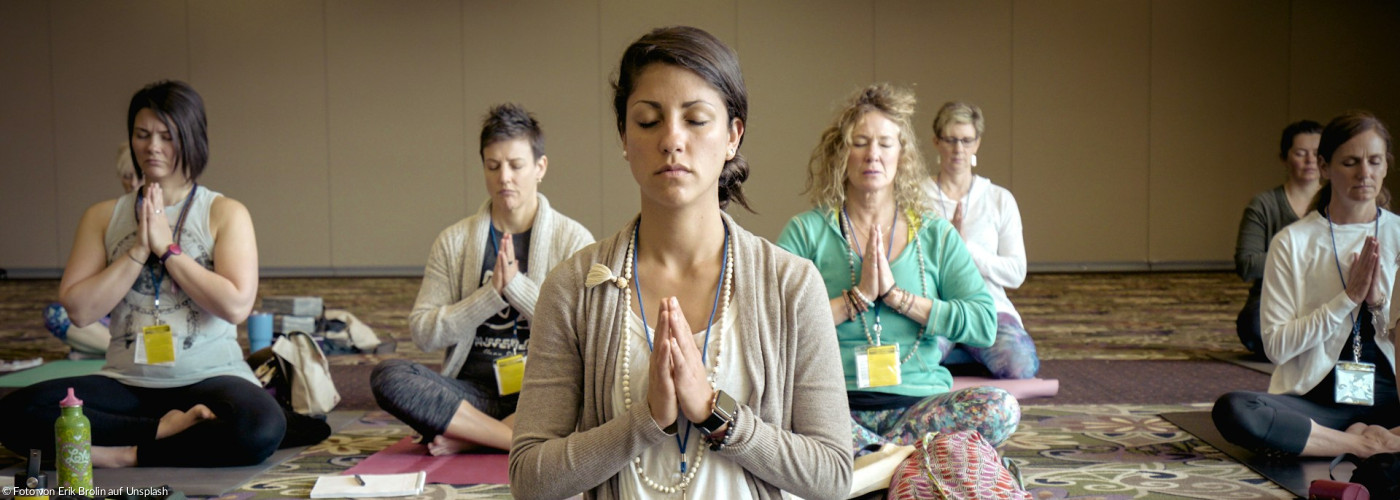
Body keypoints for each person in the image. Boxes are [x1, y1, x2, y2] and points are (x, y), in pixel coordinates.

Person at [510, 26, 852, 499]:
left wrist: (715, 411)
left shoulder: (790, 284)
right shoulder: (574, 287)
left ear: (732, 136)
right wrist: (646, 420)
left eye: (696, 119)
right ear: (624, 138)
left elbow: (833, 475)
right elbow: (530, 478)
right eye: (649, 121)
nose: (672, 139)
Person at [0, 80, 283, 467]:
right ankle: (160, 432)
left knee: (261, 426)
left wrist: (168, 249)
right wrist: (136, 251)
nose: (152, 147)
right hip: (126, 382)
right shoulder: (102, 216)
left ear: (193, 139)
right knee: (16, 412)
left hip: (212, 377)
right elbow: (79, 311)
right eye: (142, 134)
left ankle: (125, 453)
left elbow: (235, 307)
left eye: (167, 136)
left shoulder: (225, 213)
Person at [776, 84, 1020, 456]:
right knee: (773, 412)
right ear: (841, 152)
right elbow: (773, 325)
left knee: (1001, 408)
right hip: (834, 406)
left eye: (885, 143)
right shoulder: (807, 231)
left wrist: (899, 299)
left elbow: (984, 324)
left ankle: (871, 458)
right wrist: (856, 299)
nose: (872, 155)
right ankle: (908, 458)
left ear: (901, 154)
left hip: (918, 406)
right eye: (860, 142)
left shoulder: (934, 233)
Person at [370, 104, 594, 455]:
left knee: (596, 391)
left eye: (516, 165)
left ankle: (472, 437)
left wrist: (517, 289)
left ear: (540, 167)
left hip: (541, 392)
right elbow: (424, 333)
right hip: (471, 396)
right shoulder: (454, 241)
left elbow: (585, 334)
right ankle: (507, 438)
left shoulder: (573, 240)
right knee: (388, 377)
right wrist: (489, 297)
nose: (504, 177)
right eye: (493, 166)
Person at [1213, 111, 1400, 458]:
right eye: (1351, 162)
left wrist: (1377, 305)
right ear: (1325, 167)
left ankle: (1348, 440)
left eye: (1375, 161)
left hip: (1392, 400)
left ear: (1386, 165)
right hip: (1320, 403)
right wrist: (1346, 300)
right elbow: (1277, 348)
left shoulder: (1397, 235)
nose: (1365, 173)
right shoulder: (1292, 242)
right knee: (1236, 410)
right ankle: (1363, 444)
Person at [923, 101, 1039, 379]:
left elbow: (1016, 273)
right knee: (908, 365)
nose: (958, 149)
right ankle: (961, 356)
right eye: (950, 139)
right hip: (935, 307)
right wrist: (945, 250)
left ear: (977, 143)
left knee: (1021, 365)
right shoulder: (916, 197)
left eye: (966, 140)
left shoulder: (998, 198)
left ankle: (967, 354)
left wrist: (967, 251)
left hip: (987, 308)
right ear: (936, 142)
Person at [1233, 120, 1324, 358]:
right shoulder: (1264, 205)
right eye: (1301, 153)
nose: (1310, 161)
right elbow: (1247, 264)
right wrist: (1305, 258)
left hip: (1325, 296)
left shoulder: (1338, 202)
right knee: (1254, 326)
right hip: (1274, 298)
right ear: (1284, 158)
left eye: (1316, 153)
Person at [43, 143, 140, 358]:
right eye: (127, 177)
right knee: (57, 314)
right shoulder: (106, 217)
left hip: (150, 313)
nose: (133, 183)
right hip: (111, 310)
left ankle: (103, 347)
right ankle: (126, 350)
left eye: (139, 176)